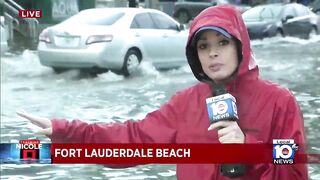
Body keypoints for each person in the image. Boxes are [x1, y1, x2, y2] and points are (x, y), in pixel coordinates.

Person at [17, 5, 308, 180]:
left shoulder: (279, 102)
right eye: (203, 46)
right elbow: (133, 139)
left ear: (240, 45)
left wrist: (248, 147)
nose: (213, 54)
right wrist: (65, 130)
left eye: (222, 43)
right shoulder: (186, 103)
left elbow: (295, 171)